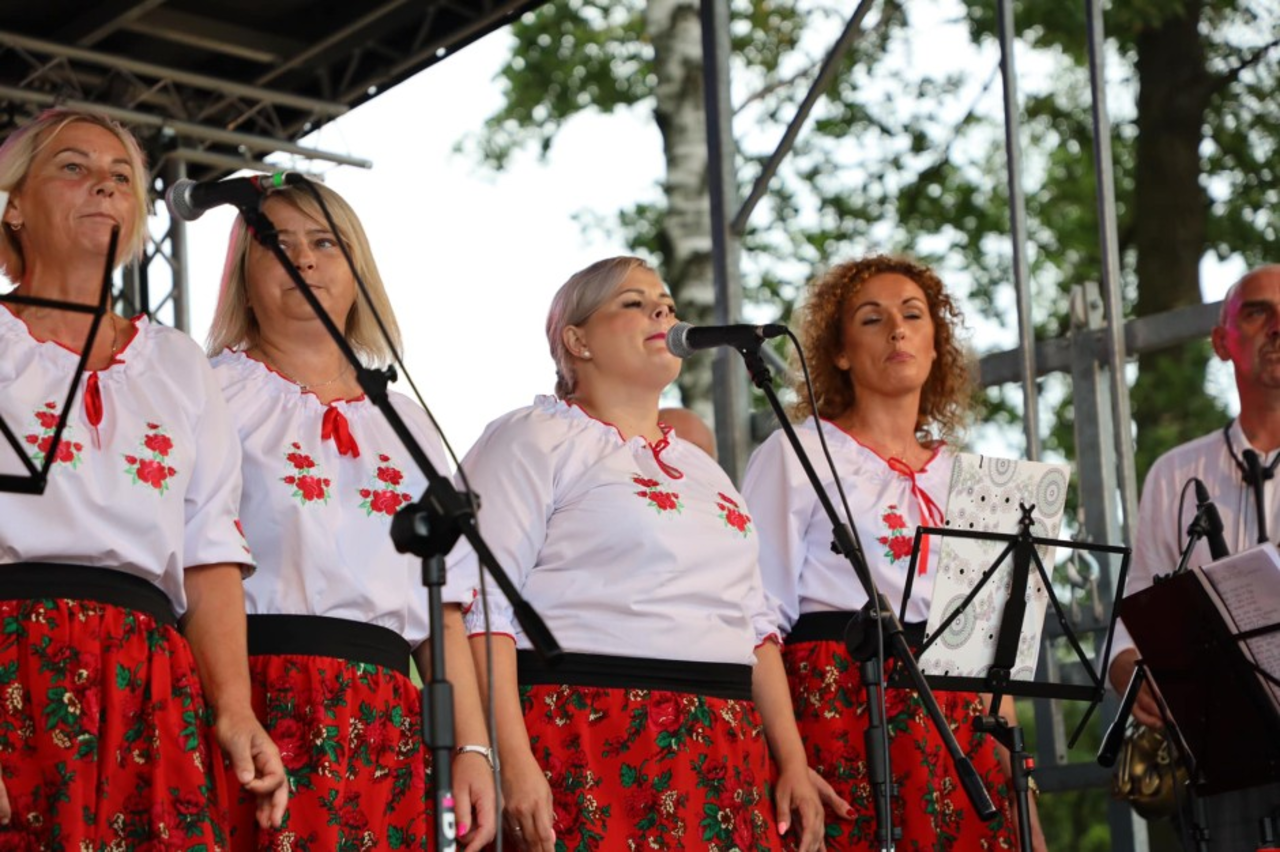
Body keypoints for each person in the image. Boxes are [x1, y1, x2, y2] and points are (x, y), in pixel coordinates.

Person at [458, 256, 826, 852]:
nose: (662, 312)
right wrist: (512, 761)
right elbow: (482, 608)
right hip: (588, 727)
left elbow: (754, 623)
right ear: (576, 341)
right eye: (633, 303)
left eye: (668, 305)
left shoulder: (700, 468)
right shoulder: (533, 437)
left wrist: (792, 761)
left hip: (723, 741)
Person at [0, 108, 287, 846]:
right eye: (73, 167)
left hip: (148, 670)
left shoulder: (177, 361)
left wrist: (235, 709)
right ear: (13, 204)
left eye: (122, 177)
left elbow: (209, 549)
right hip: (13, 658)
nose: (103, 186)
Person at [207, 180, 496, 851]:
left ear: (358, 270)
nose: (304, 259)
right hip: (252, 694)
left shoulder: (408, 422)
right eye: (278, 244)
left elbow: (445, 609)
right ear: (243, 277)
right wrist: (231, 702)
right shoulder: (211, 390)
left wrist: (473, 749)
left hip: (385, 712)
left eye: (324, 242)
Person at [742, 255, 1047, 851]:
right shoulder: (796, 451)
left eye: (913, 315)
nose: (898, 331)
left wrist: (1023, 802)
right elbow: (755, 618)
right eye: (872, 319)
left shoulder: (976, 479)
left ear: (936, 346)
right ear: (840, 352)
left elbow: (993, 661)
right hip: (840, 706)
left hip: (958, 728)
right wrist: (790, 760)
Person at [1108, 264, 1280, 851]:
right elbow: (1136, 602)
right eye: (1257, 311)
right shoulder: (1175, 473)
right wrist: (1128, 665)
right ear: (1221, 341)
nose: (1277, 326)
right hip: (1220, 759)